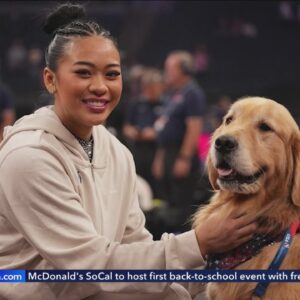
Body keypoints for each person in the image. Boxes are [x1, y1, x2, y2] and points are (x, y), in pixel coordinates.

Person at [0, 4, 256, 300]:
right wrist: (198, 243)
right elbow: (91, 267)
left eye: (112, 74)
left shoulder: (116, 152)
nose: (100, 87)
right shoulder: (28, 157)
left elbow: (134, 248)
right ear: (50, 79)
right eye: (83, 73)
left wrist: (192, 284)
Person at [152, 50, 206, 233]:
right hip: (168, 152)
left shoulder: (193, 93)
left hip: (181, 153)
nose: (166, 72)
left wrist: (184, 158)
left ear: (184, 69)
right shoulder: (172, 94)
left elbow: (194, 127)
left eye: (170, 68)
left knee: (181, 204)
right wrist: (160, 157)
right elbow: (164, 127)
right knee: (169, 201)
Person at [123, 67, 164, 197]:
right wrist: (134, 132)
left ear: (160, 87)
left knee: (156, 187)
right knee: (137, 184)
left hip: (157, 151)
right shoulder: (136, 104)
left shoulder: (166, 104)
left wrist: (154, 133)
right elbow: (126, 127)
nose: (151, 91)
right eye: (148, 87)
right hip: (138, 150)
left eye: (154, 87)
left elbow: (168, 129)